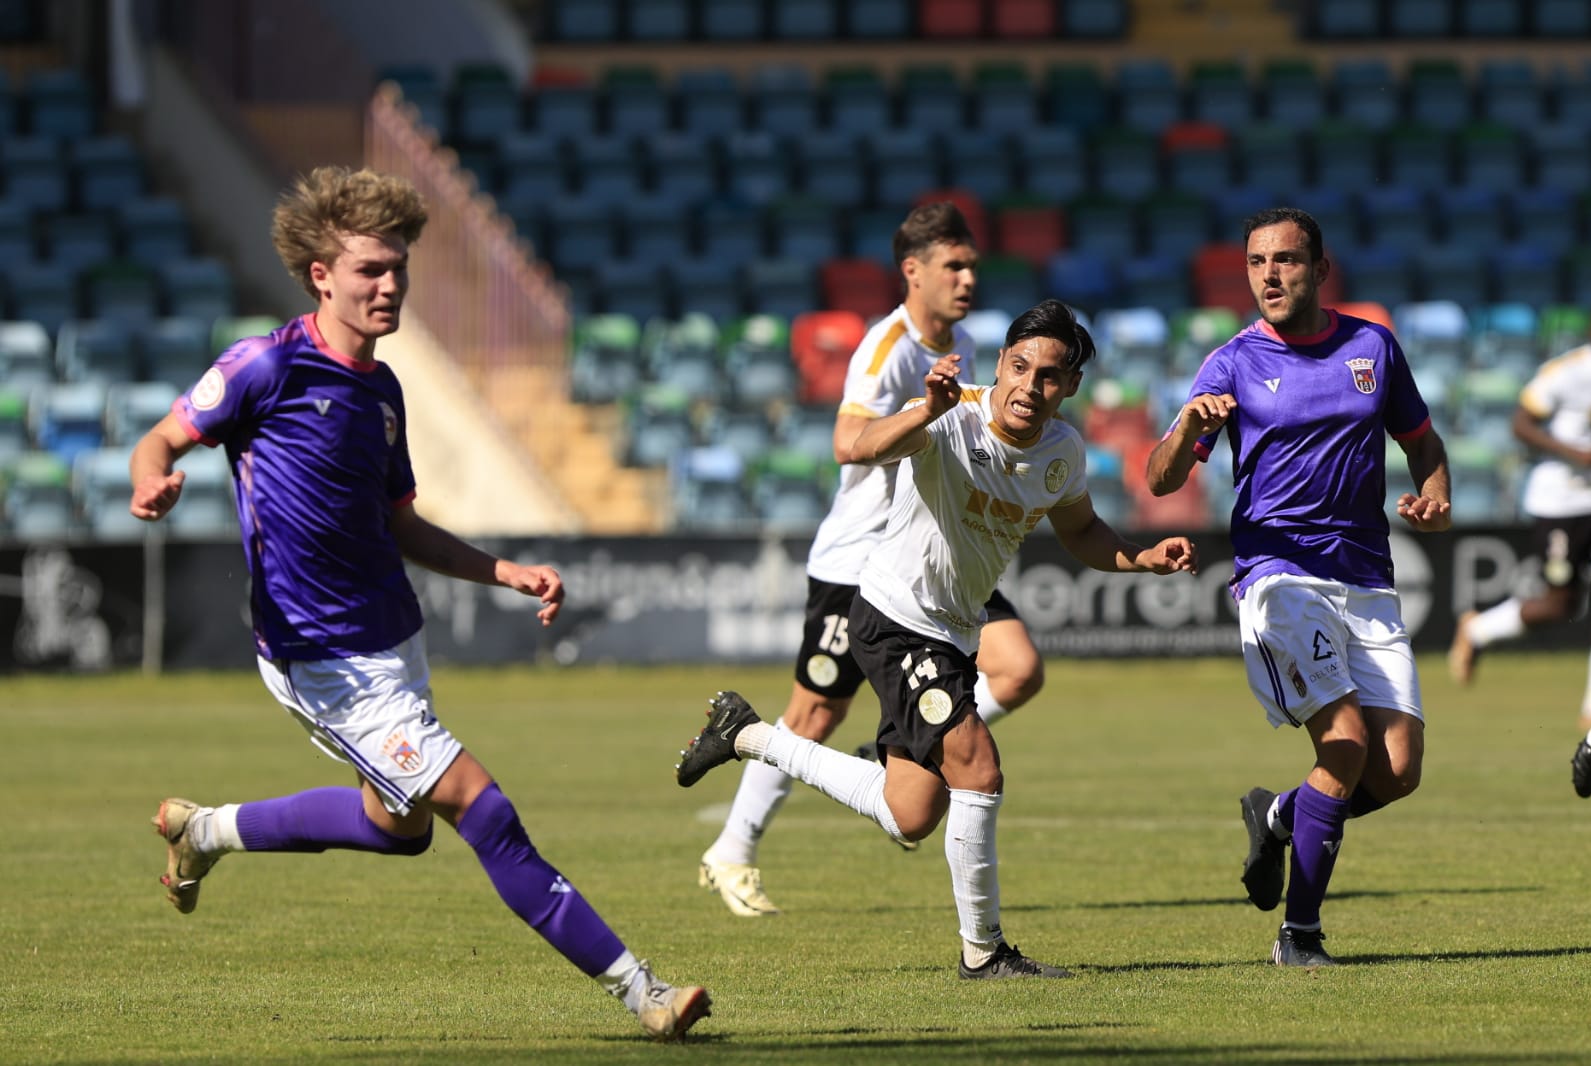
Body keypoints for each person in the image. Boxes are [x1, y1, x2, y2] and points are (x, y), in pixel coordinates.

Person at [127, 166, 709, 1041]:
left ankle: (205, 831)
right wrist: (152, 481)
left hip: (393, 638)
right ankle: (646, 994)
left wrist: (500, 569)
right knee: (485, 810)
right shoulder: (265, 365)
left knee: (396, 829)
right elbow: (163, 436)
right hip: (320, 659)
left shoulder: (383, 391)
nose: (389, 284)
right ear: (322, 274)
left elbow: (400, 525)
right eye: (370, 269)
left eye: (398, 267)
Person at [676, 299, 1199, 978]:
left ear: (1068, 387)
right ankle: (984, 952)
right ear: (1002, 363)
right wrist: (923, 408)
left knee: (911, 814)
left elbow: (1081, 534)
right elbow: (860, 446)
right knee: (977, 767)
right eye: (1018, 366)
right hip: (895, 619)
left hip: (952, 634)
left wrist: (1141, 557)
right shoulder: (955, 412)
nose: (1027, 386)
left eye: (1047, 377)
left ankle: (746, 734)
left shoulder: (1063, 450)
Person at [696, 202, 1047, 919]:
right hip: (861, 559)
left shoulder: (972, 345)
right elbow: (846, 439)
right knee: (815, 713)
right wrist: (919, 413)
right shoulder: (887, 348)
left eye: (972, 263)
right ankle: (732, 849)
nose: (968, 277)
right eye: (953, 265)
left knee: (1018, 668)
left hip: (937, 551)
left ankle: (911, 744)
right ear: (912, 272)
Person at [1145, 206, 1452, 968]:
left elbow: (1422, 442)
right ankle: (1300, 934)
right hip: (1278, 577)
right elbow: (1160, 478)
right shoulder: (1232, 362)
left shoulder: (1373, 347)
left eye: (1285, 260)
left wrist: (1436, 497)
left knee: (1399, 769)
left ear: (1320, 267)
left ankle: (1280, 814)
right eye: (1256, 262)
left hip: (1367, 581)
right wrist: (1186, 429)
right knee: (1344, 744)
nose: (1270, 275)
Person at [1447, 308, 1591, 790]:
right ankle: (1478, 629)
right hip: (1562, 502)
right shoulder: (1570, 373)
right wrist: (1578, 454)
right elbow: (1520, 424)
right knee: (1561, 604)